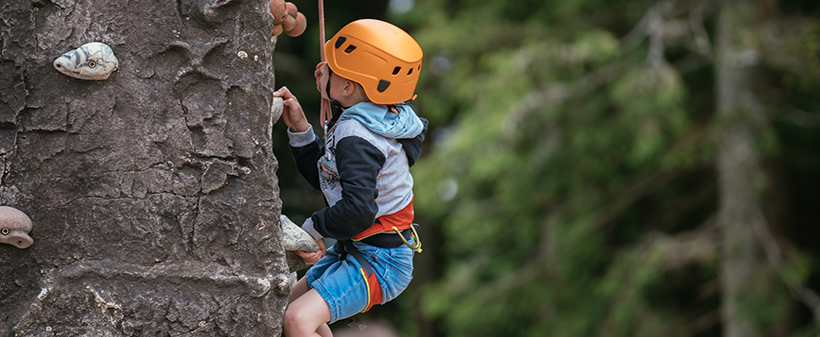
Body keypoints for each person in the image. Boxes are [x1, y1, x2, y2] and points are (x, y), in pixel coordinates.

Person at [273, 19, 427, 337]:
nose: (320, 69)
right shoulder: (379, 119)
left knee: (297, 320)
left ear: (347, 88)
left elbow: (358, 211)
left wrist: (312, 229)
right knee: (287, 307)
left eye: (329, 67)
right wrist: (301, 131)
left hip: (380, 262)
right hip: (360, 249)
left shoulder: (358, 135)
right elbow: (330, 183)